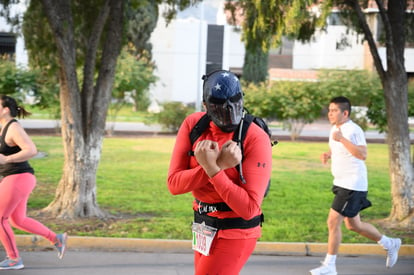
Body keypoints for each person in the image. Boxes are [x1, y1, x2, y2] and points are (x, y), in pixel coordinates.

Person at [167, 70, 272, 275]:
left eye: (234, 100)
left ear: (242, 99)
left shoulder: (255, 137)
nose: (228, 109)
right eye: (218, 103)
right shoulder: (194, 125)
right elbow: (174, 184)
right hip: (203, 225)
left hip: (235, 231)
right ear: (205, 106)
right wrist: (217, 166)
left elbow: (249, 208)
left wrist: (214, 169)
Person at [310, 96, 401, 275]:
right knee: (353, 225)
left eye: (334, 110)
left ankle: (329, 266)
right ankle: (389, 243)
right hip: (341, 182)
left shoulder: (352, 129)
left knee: (332, 221)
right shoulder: (335, 129)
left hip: (352, 184)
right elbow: (340, 149)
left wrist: (342, 139)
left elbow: (362, 154)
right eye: (329, 110)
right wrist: (329, 153)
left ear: (345, 113)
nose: (330, 113)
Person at [0, 95, 68, 270]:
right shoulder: (4, 128)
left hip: (18, 177)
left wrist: (7, 159)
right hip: (17, 178)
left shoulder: (13, 127)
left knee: (0, 219)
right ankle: (56, 238)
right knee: (18, 220)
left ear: (5, 109)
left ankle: (14, 259)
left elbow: (31, 150)